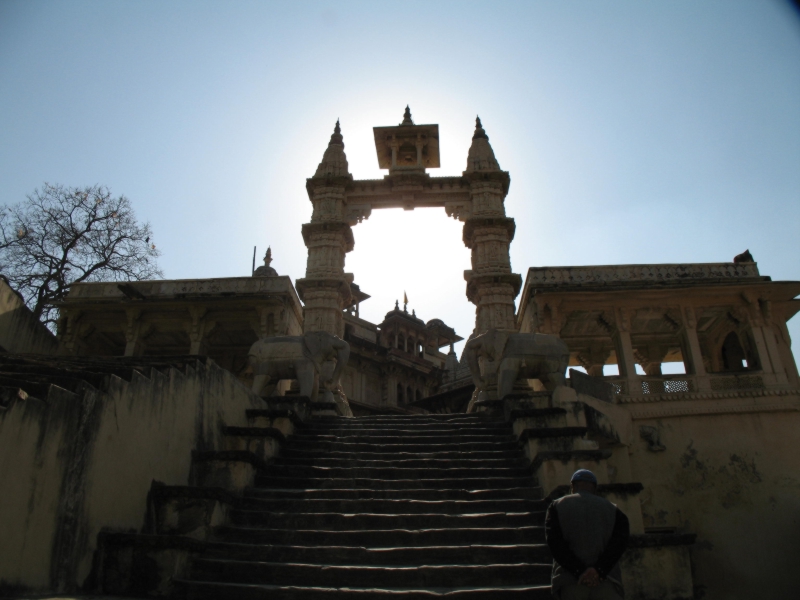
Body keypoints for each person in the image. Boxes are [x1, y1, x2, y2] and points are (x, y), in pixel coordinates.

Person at [545, 469, 630, 599]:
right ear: (595, 488)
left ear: (572, 486)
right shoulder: (613, 509)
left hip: (570, 582)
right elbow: (619, 544)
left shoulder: (557, 506)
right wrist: (599, 571)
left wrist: (580, 571)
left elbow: (555, 544)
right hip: (607, 582)